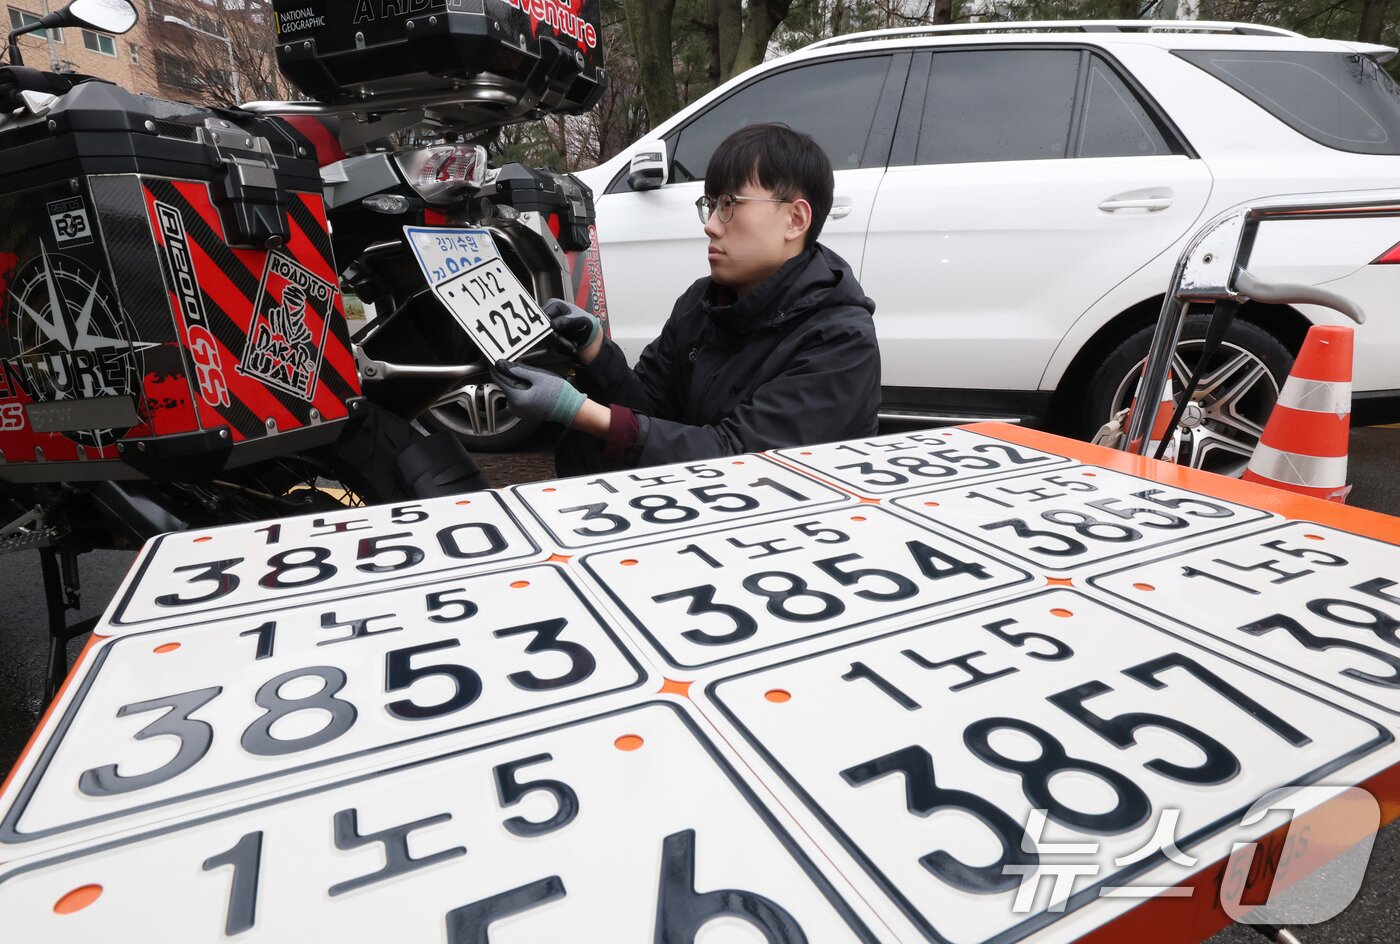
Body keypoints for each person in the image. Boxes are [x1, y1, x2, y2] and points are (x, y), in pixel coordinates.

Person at [489, 122, 880, 473]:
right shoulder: (704, 301)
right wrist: (594, 349)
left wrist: (576, 410)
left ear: (795, 220)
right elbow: (650, 408)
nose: (711, 226)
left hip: (791, 524)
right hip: (700, 502)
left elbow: (742, 459)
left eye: (730, 205)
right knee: (582, 447)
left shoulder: (840, 340)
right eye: (711, 205)